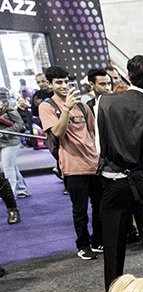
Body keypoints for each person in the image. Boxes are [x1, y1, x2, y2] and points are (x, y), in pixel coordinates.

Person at [95, 54, 143, 292]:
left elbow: (100, 147)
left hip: (113, 181)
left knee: (113, 244)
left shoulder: (103, 102)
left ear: (128, 76)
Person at [38, 66, 103, 260]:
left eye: (66, 82)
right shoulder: (47, 107)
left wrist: (97, 155)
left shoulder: (82, 106)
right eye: (59, 82)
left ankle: (98, 240)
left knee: (99, 206)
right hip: (72, 165)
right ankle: (83, 245)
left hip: (93, 163)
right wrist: (66, 108)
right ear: (50, 84)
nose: (64, 86)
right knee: (80, 209)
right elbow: (58, 132)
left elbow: (92, 132)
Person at [0, 89, 29, 200]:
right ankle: (22, 189)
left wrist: (5, 132)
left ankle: (9, 194)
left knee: (7, 166)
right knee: (11, 166)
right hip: (2, 142)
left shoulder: (9, 108)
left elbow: (20, 124)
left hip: (11, 141)